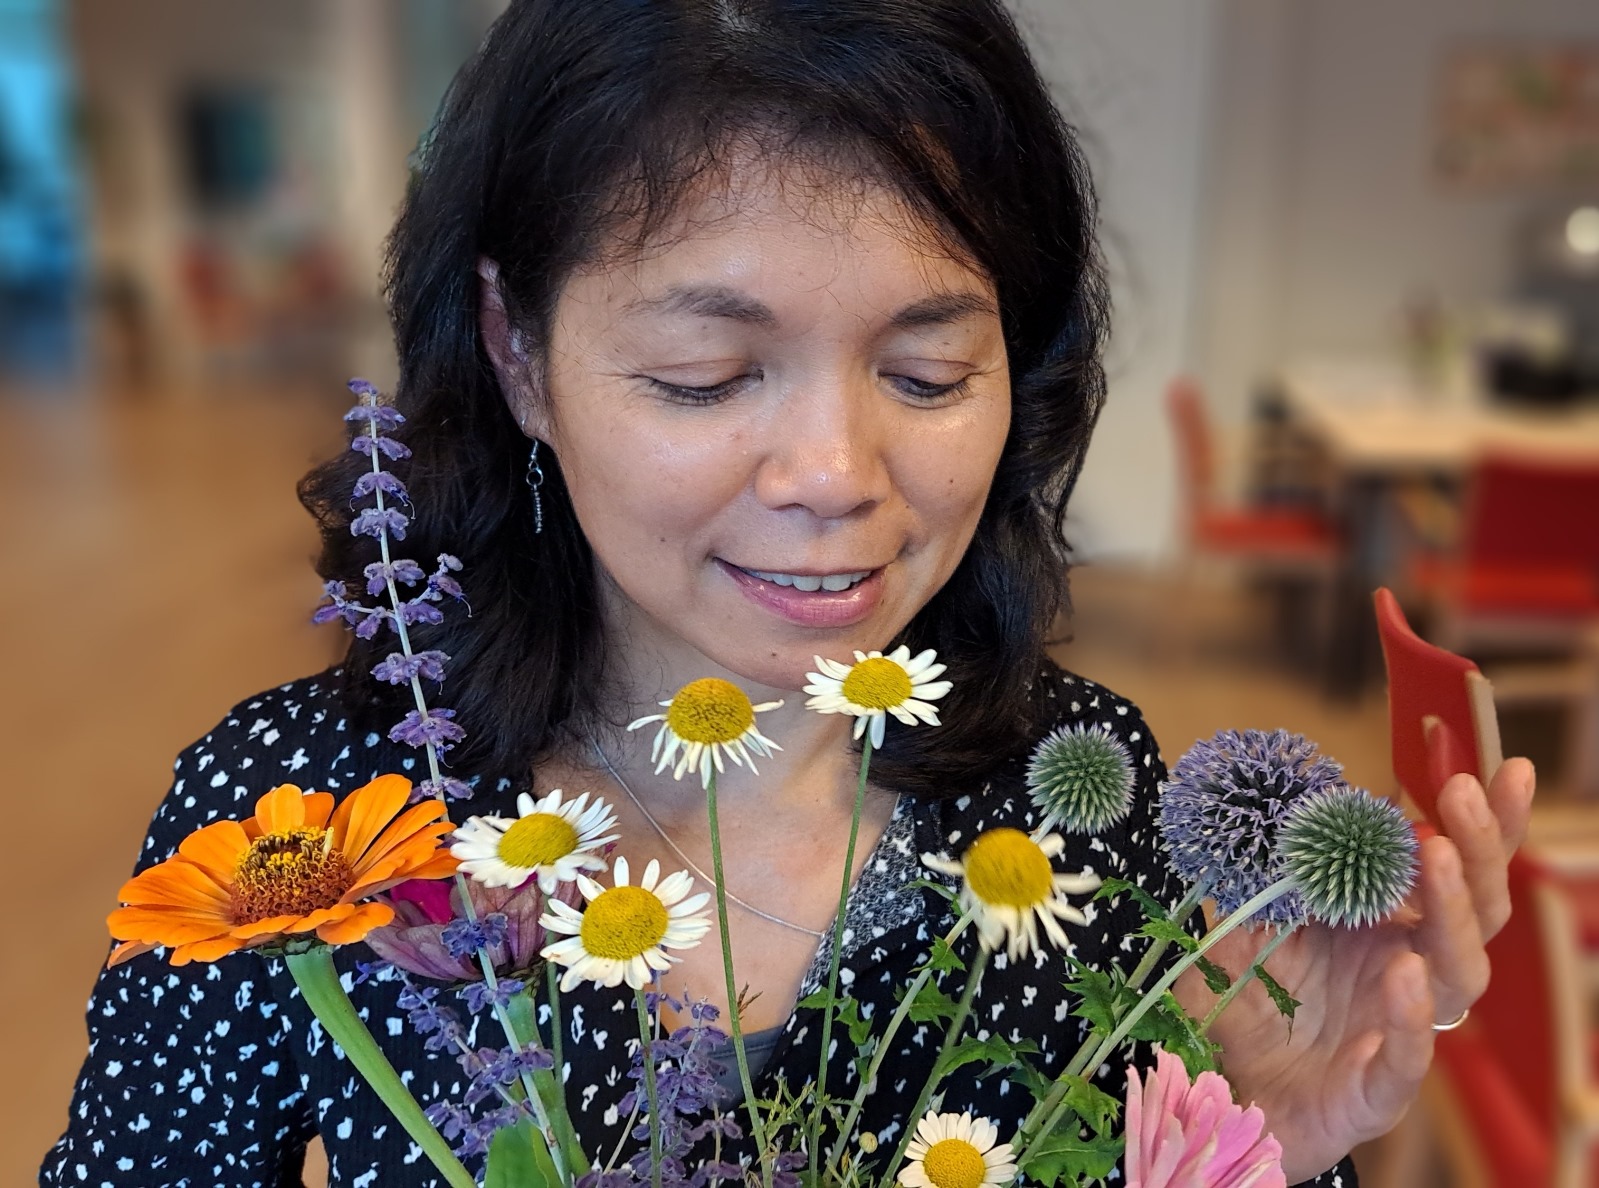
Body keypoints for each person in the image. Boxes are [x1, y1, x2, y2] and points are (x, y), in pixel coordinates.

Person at [42, 2, 1532, 1185]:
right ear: (516, 351)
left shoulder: (1093, 799)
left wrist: (1252, 1157)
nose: (835, 472)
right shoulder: (289, 822)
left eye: (927, 372)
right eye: (709, 375)